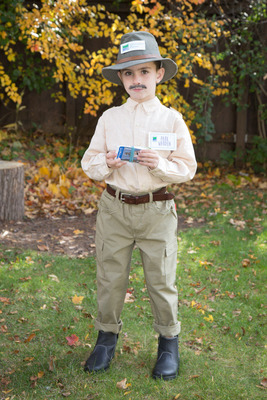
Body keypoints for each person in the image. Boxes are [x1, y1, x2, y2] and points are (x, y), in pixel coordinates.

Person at [81, 30, 197, 380]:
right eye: (128, 73)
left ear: (159, 73)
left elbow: (186, 168)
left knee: (161, 279)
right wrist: (108, 163)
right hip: (114, 209)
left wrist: (158, 165)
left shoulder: (171, 120)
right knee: (110, 275)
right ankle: (106, 338)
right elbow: (89, 163)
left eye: (144, 71)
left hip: (156, 210)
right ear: (121, 78)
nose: (136, 79)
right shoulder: (109, 119)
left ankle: (168, 342)